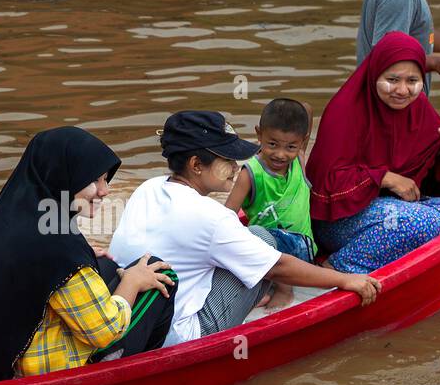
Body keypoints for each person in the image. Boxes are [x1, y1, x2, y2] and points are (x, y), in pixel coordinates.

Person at [109, 111, 381, 347]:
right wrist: (345, 280)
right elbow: (277, 267)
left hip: (139, 318)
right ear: (195, 165)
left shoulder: (149, 187)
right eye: (226, 160)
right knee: (262, 238)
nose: (235, 167)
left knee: (245, 243)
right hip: (180, 335)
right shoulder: (211, 217)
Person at [0, 127, 177, 385]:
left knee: (102, 264)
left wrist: (84, 258)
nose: (104, 191)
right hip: (40, 375)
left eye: (106, 179)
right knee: (161, 276)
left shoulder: (6, 216)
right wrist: (132, 282)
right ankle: (137, 383)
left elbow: (33, 261)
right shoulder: (59, 248)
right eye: (95, 180)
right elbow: (104, 331)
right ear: (65, 177)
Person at [308, 32, 440, 274]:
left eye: (412, 81)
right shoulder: (344, 112)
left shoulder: (417, 106)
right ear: (375, 73)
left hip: (392, 208)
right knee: (424, 223)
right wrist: (386, 177)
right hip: (337, 218)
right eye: (392, 79)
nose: (402, 90)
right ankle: (334, 268)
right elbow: (326, 183)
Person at [224, 96, 316, 264]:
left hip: (301, 248)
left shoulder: (298, 159)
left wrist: (293, 112)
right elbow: (227, 215)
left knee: (256, 233)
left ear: (302, 141)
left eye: (290, 147)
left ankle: (285, 289)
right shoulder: (251, 173)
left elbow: (307, 108)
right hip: (264, 253)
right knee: (257, 234)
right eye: (272, 144)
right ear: (259, 134)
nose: (280, 154)